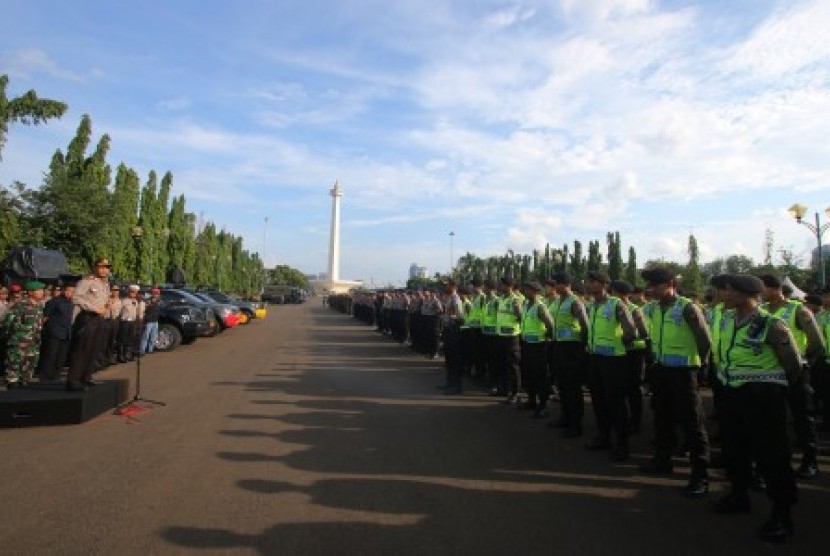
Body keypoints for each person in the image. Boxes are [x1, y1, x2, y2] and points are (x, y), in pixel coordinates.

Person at [715, 274, 802, 543]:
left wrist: (771, 387)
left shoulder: (771, 324)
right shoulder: (729, 319)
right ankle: (739, 493)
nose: (725, 295)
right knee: (735, 447)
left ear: (748, 295)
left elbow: (793, 364)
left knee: (772, 454)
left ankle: (782, 512)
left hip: (762, 397)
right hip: (731, 392)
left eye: (731, 291)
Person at [638, 267, 712, 498]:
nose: (652, 289)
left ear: (670, 283)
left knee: (692, 421)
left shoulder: (687, 307)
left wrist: (700, 366)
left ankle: (700, 475)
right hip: (661, 370)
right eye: (650, 285)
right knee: (662, 415)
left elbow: (704, 339)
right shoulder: (652, 308)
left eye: (656, 285)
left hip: (683, 372)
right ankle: (662, 458)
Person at [758, 274, 825, 480]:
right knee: (772, 419)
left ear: (775, 289)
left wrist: (802, 362)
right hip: (770, 373)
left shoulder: (798, 310)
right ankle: (776, 461)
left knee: (802, 417)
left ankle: (810, 460)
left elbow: (817, 343)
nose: (760, 294)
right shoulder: (762, 312)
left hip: (796, 372)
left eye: (763, 290)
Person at [584, 270, 637, 461]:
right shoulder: (591, 306)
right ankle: (603, 436)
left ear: (602, 284)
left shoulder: (616, 304)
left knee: (615, 402)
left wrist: (617, 345)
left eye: (591, 282)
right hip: (595, 357)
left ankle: (622, 444)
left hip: (613, 360)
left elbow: (631, 331)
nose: (588, 285)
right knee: (598, 400)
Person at [547, 272, 589, 437]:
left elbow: (585, 325)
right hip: (559, 346)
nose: (555, 287)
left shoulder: (575, 302)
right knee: (563, 384)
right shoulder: (558, 301)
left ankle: (575, 424)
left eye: (558, 284)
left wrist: (582, 346)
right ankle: (565, 417)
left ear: (566, 285)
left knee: (573, 387)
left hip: (572, 348)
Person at [67, 258, 114, 391]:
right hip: (87, 318)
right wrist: (94, 308)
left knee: (94, 349)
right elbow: (76, 298)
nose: (104, 270)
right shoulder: (87, 281)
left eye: (107, 267)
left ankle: (86, 377)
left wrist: (107, 304)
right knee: (82, 350)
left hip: (99, 319)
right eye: (101, 267)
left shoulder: (105, 284)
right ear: (95, 268)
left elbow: (103, 299)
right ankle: (73, 380)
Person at [610, 280, 649, 434]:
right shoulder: (613, 307)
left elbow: (644, 333)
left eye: (612, 292)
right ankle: (622, 419)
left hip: (634, 353)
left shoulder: (634, 310)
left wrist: (626, 339)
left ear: (619, 294)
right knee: (619, 387)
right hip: (619, 354)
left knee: (634, 389)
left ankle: (636, 421)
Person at [519, 281, 554, 417]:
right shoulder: (527, 306)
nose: (525, 291)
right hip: (527, 343)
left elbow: (550, 325)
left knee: (540, 374)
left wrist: (546, 337)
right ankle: (531, 399)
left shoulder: (540, 307)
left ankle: (543, 404)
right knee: (529, 373)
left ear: (535, 291)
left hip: (539, 345)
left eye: (528, 289)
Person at [3, 281, 46, 388]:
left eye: (42, 290)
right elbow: (8, 323)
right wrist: (13, 336)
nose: (42, 292)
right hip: (19, 342)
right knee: (14, 365)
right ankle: (11, 383)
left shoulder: (39, 307)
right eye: (39, 290)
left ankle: (25, 381)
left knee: (29, 366)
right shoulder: (19, 305)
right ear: (31, 292)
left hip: (33, 342)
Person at [37, 279, 75, 381]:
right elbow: (45, 316)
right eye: (68, 291)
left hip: (66, 333)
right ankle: (44, 375)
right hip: (54, 332)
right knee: (50, 354)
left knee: (62, 356)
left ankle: (56, 374)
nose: (70, 293)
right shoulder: (54, 302)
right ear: (63, 290)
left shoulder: (71, 303)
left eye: (72, 291)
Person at [495, 277, 523, 405]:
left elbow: (521, 317)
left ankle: (516, 393)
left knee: (513, 366)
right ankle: (504, 389)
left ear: (509, 286)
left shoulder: (515, 300)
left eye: (503, 284)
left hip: (511, 337)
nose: (500, 286)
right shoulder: (501, 299)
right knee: (502, 364)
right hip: (501, 335)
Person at [440, 280, 465, 394]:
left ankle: (456, 386)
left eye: (447, 285)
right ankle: (450, 382)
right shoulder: (450, 298)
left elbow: (460, 317)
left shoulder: (456, 299)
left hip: (453, 332)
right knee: (449, 359)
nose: (445, 287)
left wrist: (451, 318)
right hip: (447, 331)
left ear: (453, 286)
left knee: (455, 360)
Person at [118, 285, 144, 362]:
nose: (134, 294)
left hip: (132, 322)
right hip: (125, 322)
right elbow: (119, 311)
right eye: (132, 292)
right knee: (122, 339)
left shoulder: (136, 301)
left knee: (130, 339)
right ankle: (121, 356)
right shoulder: (124, 301)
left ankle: (128, 354)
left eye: (136, 292)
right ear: (129, 292)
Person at [140, 287, 162, 355]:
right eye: (154, 293)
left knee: (153, 336)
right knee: (145, 336)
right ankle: (142, 350)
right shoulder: (148, 300)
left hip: (155, 321)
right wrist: (148, 303)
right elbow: (144, 305)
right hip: (149, 321)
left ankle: (150, 349)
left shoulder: (159, 300)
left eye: (157, 293)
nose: (156, 294)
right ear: (152, 293)